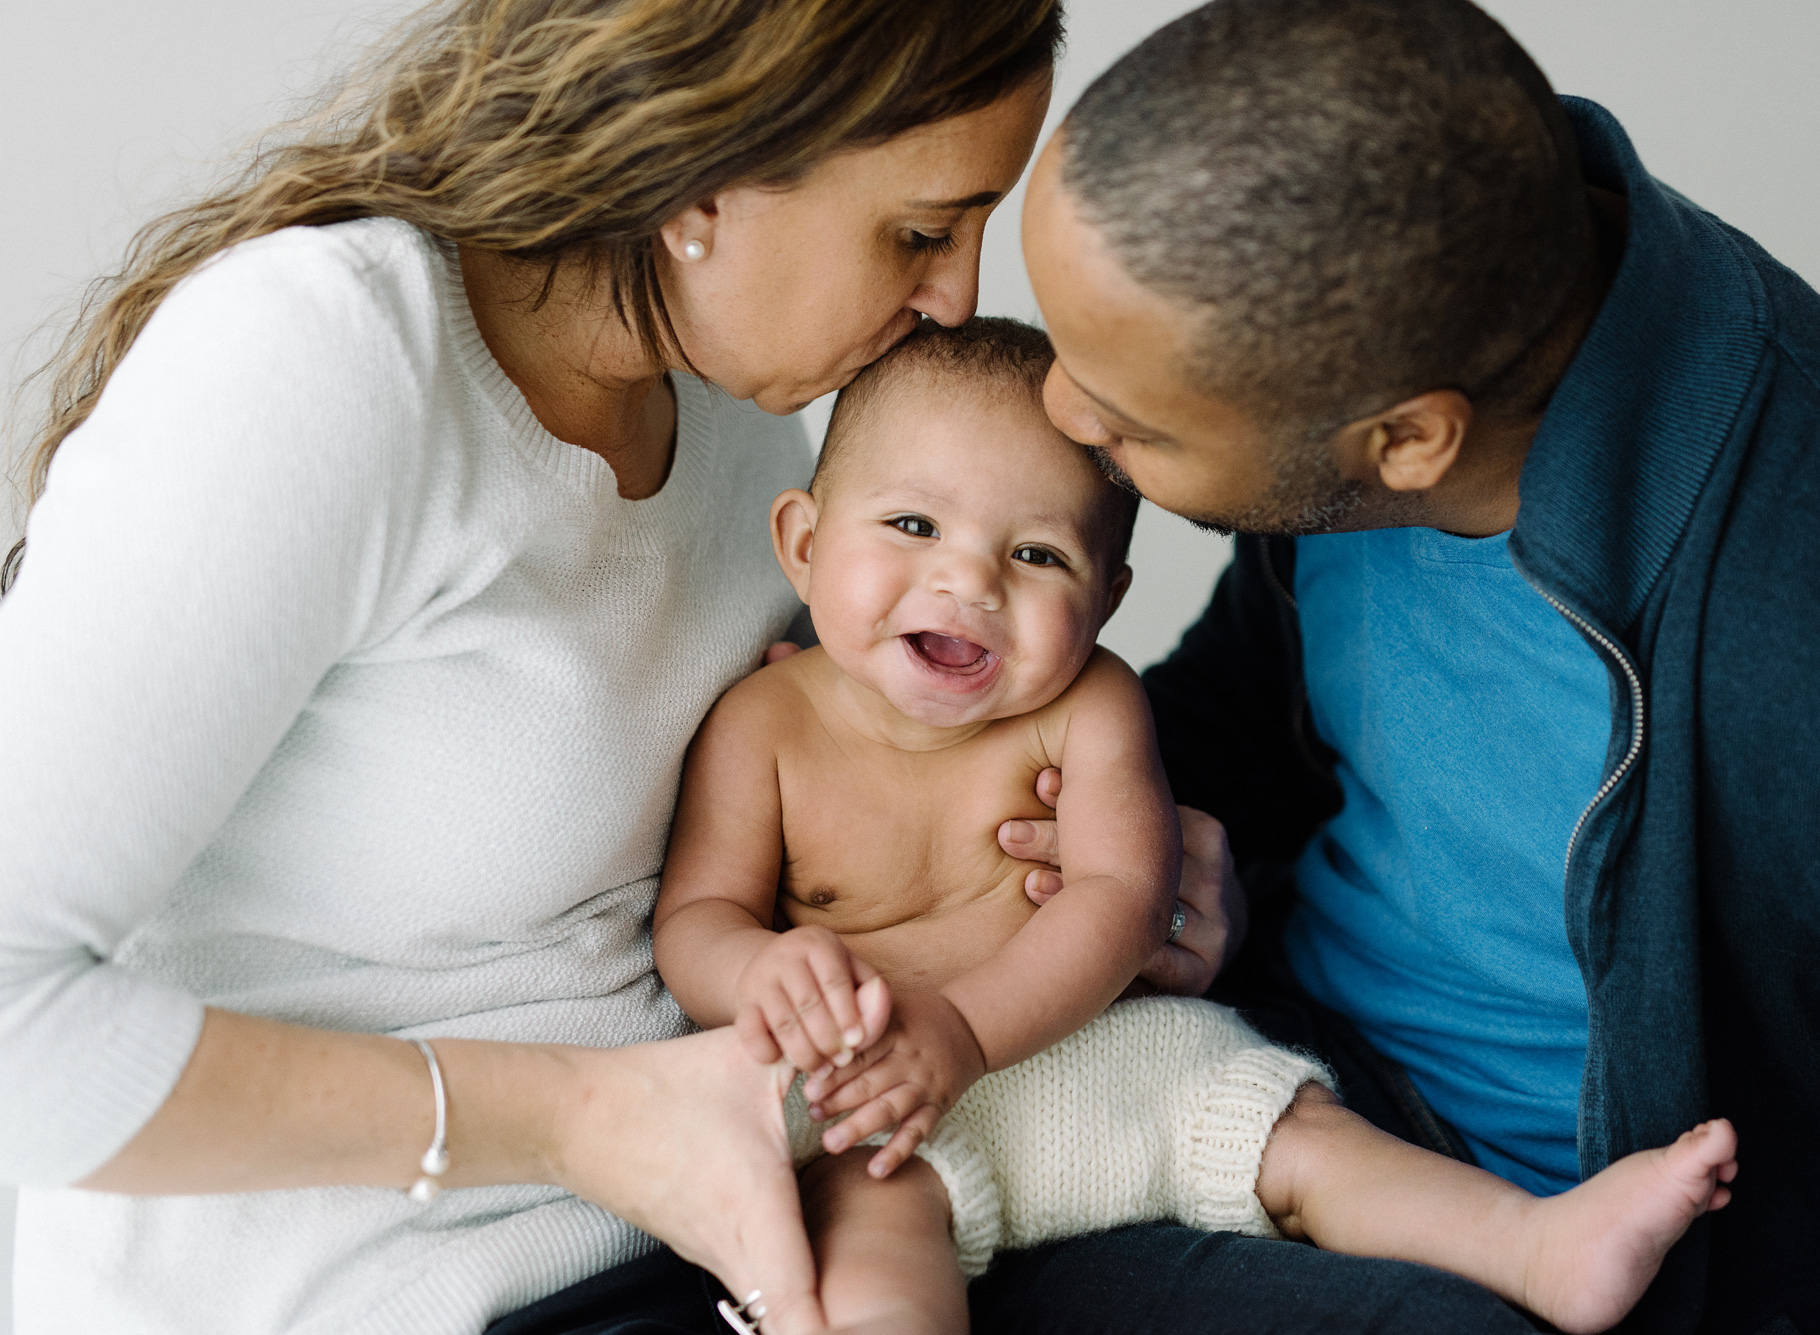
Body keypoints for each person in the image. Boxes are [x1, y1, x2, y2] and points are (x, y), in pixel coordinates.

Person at [0, 1, 1085, 1330]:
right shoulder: (330, 360)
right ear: (712, 169)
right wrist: (587, 1119)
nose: (956, 301)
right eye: (921, 231)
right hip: (380, 1288)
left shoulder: (749, 447)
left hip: (742, 1219)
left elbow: (789, 841)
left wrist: (1079, 856)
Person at [992, 0, 1820, 1332]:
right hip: (1271, 1083)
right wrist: (1153, 854)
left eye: (1129, 418)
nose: (1060, 411)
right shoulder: (1402, 326)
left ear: (1407, 439)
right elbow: (1236, 726)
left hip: (1598, 1252)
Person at [653, 316, 1741, 1335]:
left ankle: (1536, 1243)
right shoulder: (765, 724)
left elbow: (1123, 900)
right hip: (876, 1102)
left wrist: (970, 1036)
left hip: (1099, 1059)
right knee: (859, 1241)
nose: (966, 578)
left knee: (1295, 1130)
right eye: (910, 524)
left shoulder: (1087, 708)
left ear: (1107, 596)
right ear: (800, 542)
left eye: (1035, 554)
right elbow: (699, 915)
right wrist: (759, 974)